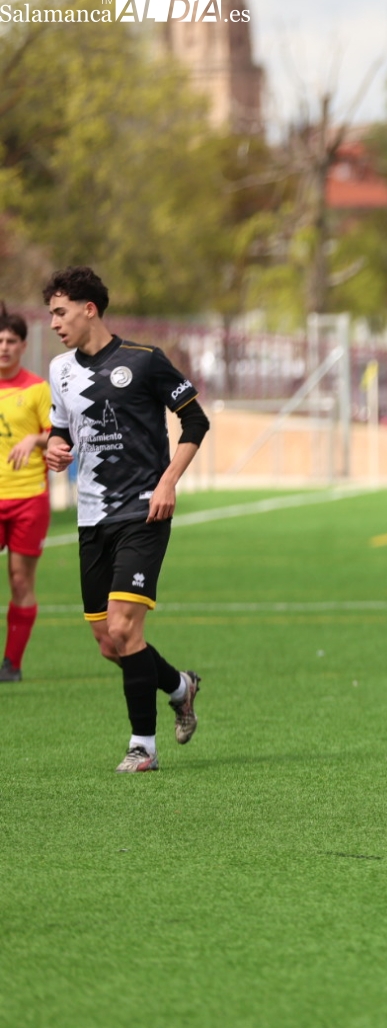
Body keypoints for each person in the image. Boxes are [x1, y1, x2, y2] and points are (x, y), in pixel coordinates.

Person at [41, 267, 205, 772]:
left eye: (60, 312)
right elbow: (60, 429)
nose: (54, 323)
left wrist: (168, 481)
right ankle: (179, 686)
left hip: (142, 510)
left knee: (123, 626)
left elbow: (195, 420)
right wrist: (54, 448)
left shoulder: (144, 360)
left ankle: (143, 747)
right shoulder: (59, 369)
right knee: (110, 643)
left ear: (89, 309)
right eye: (51, 314)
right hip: (91, 518)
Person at [0, 303, 54, 681]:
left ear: (23, 345)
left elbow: (58, 435)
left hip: (29, 499)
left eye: (11, 341)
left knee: (20, 580)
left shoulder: (37, 389)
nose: (3, 347)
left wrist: (34, 439)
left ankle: (11, 664)